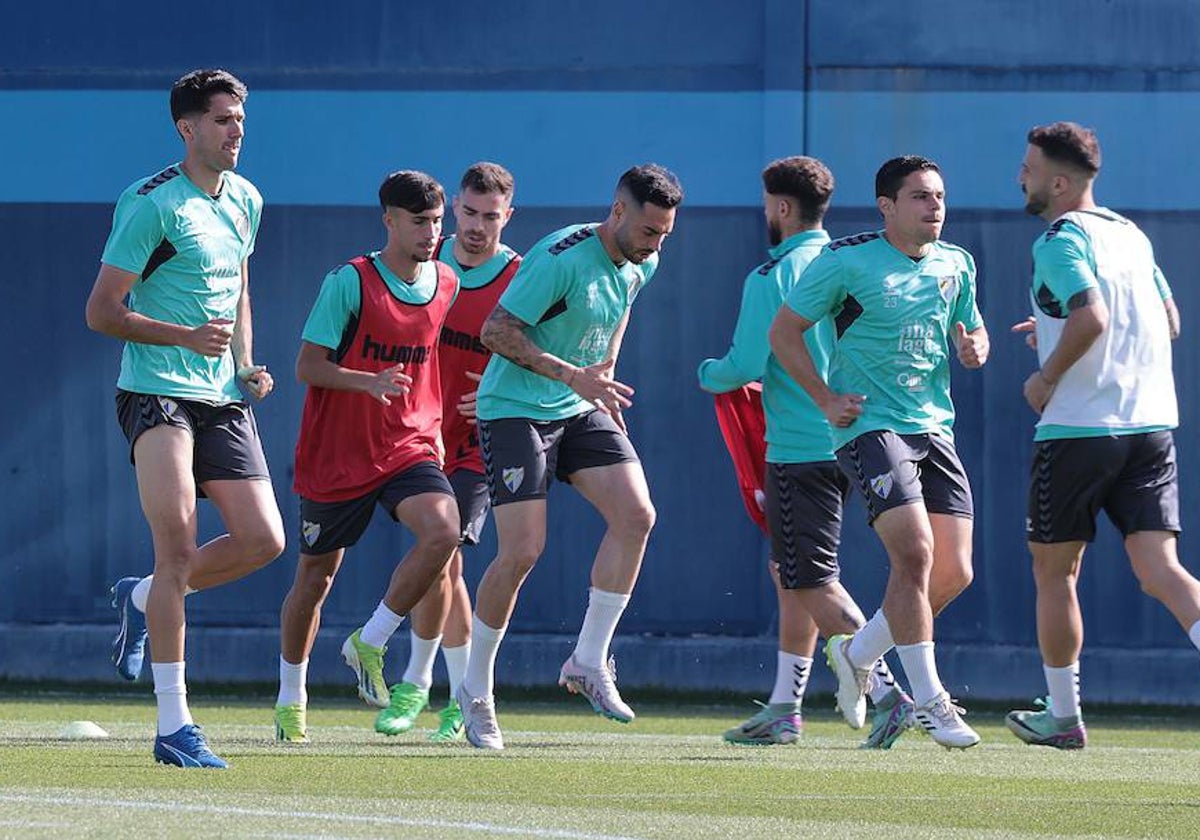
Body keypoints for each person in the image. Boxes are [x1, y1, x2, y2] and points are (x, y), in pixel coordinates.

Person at [85, 68, 285, 768]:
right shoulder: (150, 205)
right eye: (223, 119)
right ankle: (175, 726)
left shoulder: (248, 200)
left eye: (240, 118)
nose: (237, 130)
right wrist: (183, 338)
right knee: (178, 549)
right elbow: (102, 311)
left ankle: (140, 598)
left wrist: (244, 362)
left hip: (221, 397)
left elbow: (240, 290)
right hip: (156, 392)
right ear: (187, 128)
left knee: (264, 540)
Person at [455, 164, 683, 750]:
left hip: (579, 405)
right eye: (650, 231)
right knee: (523, 551)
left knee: (638, 516)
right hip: (513, 408)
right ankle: (475, 691)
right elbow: (496, 333)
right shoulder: (560, 257)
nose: (657, 243)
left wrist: (603, 372)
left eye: (665, 232)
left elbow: (623, 307)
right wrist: (573, 376)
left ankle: (588, 659)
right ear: (618, 211)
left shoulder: (642, 261)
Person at [769, 155, 989, 749]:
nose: (934, 205)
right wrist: (823, 398)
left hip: (934, 428)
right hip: (870, 427)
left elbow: (971, 326)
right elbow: (783, 333)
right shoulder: (844, 260)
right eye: (919, 196)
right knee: (915, 554)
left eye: (939, 195)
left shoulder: (956, 263)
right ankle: (929, 701)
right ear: (887, 206)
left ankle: (858, 651)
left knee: (954, 570)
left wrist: (975, 346)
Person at [699, 156, 914, 749]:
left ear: (783, 208)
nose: (766, 214)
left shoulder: (773, 276)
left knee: (811, 577)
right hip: (856, 441)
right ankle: (784, 707)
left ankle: (890, 693)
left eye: (768, 204)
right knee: (788, 573)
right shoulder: (851, 260)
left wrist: (706, 372)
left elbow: (740, 366)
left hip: (799, 447)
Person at [1006, 122, 1200, 749]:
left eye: (1030, 168)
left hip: (1080, 429)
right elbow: (1167, 319)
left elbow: (1092, 316)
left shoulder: (1059, 239)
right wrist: (1059, 332)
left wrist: (1047, 373)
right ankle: (1061, 717)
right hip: (1150, 426)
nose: (1021, 177)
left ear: (1058, 183)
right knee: (1162, 571)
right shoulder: (1129, 233)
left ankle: (1063, 718)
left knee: (1054, 572)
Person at [272, 171, 461, 743]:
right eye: (418, 222)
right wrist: (366, 382)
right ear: (388, 220)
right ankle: (290, 698)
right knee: (315, 578)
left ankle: (372, 639)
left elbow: (428, 365)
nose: (430, 233)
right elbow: (308, 366)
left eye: (436, 221)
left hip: (410, 444)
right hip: (340, 453)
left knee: (442, 532)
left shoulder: (447, 281)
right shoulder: (350, 282)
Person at [384, 162, 522, 742]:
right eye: (468, 212)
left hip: (478, 439)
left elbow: (537, 345)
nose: (476, 226)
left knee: (446, 554)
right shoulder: (425, 262)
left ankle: (417, 681)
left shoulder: (520, 274)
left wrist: (496, 390)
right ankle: (458, 697)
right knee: (444, 561)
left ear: (506, 217)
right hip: (421, 435)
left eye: (490, 216)